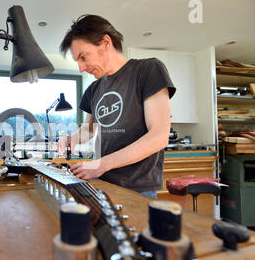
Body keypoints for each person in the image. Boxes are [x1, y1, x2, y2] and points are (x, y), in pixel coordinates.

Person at [57, 15, 176, 199]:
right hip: (102, 184)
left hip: (138, 189)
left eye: (83, 57)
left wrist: (101, 164)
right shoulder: (93, 89)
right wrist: (70, 138)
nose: (81, 68)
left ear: (105, 42)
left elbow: (159, 137)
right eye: (77, 61)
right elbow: (89, 130)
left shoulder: (148, 70)